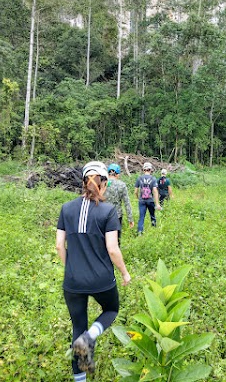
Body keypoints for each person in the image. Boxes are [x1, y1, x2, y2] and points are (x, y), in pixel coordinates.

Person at [56, 161, 131, 382]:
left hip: (73, 281)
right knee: (111, 309)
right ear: (104, 184)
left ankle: (80, 378)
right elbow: (112, 248)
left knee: (77, 326)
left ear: (82, 183)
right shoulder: (108, 211)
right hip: (101, 279)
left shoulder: (66, 208)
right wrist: (125, 272)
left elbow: (60, 245)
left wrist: (70, 267)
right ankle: (91, 336)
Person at [105, 163, 134, 244]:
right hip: (117, 216)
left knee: (104, 237)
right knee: (116, 238)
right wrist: (130, 219)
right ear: (117, 174)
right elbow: (126, 203)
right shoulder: (122, 185)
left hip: (103, 215)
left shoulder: (102, 184)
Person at [134, 162, 161, 235]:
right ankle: (154, 230)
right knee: (152, 216)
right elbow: (155, 191)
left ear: (143, 170)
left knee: (141, 217)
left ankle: (140, 232)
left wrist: (137, 198)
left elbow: (136, 191)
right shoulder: (153, 179)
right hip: (150, 200)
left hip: (141, 201)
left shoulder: (139, 178)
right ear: (150, 170)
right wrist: (157, 203)